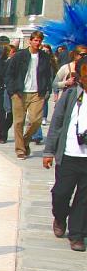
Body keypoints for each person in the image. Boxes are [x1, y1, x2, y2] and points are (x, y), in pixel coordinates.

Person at [43, 54, 87, 252]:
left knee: (84, 199)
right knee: (61, 193)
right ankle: (60, 217)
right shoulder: (71, 95)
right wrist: (49, 151)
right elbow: (57, 123)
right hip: (68, 154)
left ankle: (77, 235)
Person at [6, 30, 55, 160]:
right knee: (19, 122)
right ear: (30, 41)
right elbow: (10, 73)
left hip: (37, 92)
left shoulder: (44, 56)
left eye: (39, 41)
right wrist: (12, 91)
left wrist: (47, 89)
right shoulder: (20, 55)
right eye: (35, 40)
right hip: (19, 92)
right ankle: (20, 150)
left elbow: (47, 74)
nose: (37, 43)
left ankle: (25, 141)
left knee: (36, 120)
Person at [0, 44, 14, 144]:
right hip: (1, 90)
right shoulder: (1, 62)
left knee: (11, 114)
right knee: (1, 113)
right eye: (12, 52)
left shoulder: (15, 63)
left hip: (11, 90)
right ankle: (2, 135)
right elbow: (0, 73)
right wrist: (9, 62)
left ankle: (5, 129)